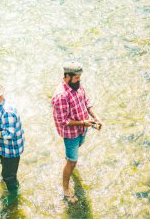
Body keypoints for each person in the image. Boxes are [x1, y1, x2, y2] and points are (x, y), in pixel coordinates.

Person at [51, 61, 103, 203]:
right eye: (76, 78)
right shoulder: (61, 96)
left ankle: (69, 158)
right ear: (67, 76)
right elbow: (63, 121)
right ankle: (66, 189)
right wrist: (83, 123)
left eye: (79, 77)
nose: (79, 80)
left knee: (73, 154)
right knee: (72, 162)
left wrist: (95, 117)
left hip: (83, 129)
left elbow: (86, 102)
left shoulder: (78, 86)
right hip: (71, 134)